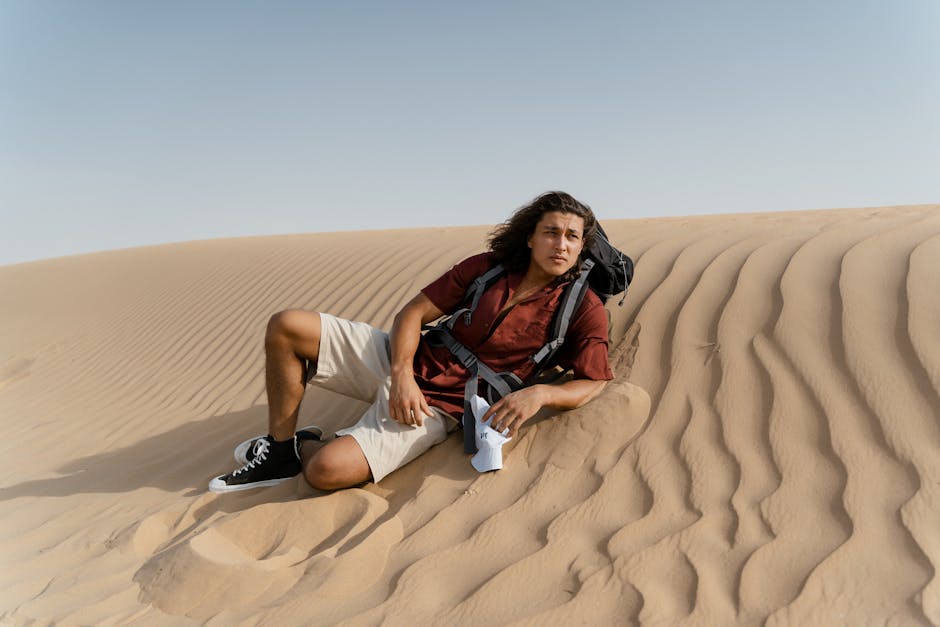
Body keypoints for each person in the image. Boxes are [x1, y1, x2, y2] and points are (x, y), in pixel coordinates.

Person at [209, 191, 614, 493]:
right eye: (551, 233)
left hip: (442, 405)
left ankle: (304, 445)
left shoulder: (583, 307)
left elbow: (594, 379)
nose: (560, 245)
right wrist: (401, 374)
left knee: (325, 473)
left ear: (581, 247)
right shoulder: (488, 268)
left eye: (571, 238)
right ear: (530, 238)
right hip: (404, 360)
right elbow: (413, 313)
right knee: (287, 325)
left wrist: (541, 394)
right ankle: (278, 453)